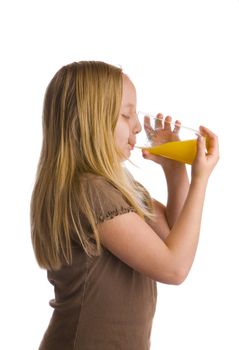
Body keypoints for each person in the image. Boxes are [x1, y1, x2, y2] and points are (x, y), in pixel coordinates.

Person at [30, 61, 219, 350]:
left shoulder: (119, 187)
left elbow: (174, 239)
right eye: (126, 115)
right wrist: (201, 179)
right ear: (91, 121)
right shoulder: (91, 192)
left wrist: (175, 170)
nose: (137, 126)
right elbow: (174, 268)